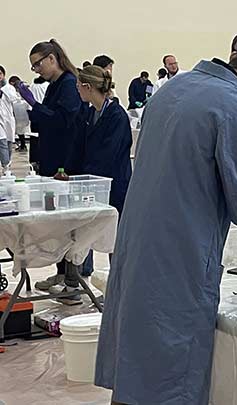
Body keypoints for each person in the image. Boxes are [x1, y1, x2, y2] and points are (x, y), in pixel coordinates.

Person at [94, 28, 237, 404]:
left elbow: (181, 165)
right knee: (169, 380)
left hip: (138, 252)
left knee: (137, 371)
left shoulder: (173, 90)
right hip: (180, 262)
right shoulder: (236, 108)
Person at [44, 66, 133, 305]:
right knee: (78, 233)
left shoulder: (116, 116)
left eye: (78, 86)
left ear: (87, 87)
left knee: (116, 242)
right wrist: (67, 173)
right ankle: (72, 284)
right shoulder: (87, 113)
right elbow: (77, 147)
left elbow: (107, 156)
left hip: (113, 186)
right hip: (89, 186)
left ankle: (119, 292)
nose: (76, 90)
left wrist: (83, 177)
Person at [15, 40, 82, 177]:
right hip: (50, 153)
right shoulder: (53, 85)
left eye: (37, 65)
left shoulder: (69, 83)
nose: (37, 71)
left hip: (63, 158)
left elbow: (62, 120)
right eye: (33, 67)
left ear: (51, 58)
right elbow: (46, 118)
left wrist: (34, 104)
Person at [0, 66, 18, 168]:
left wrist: (4, 90)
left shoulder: (9, 88)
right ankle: (5, 164)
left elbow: (14, 99)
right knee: (1, 141)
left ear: (3, 74)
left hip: (8, 119)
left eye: (0, 74)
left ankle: (7, 162)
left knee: (8, 143)